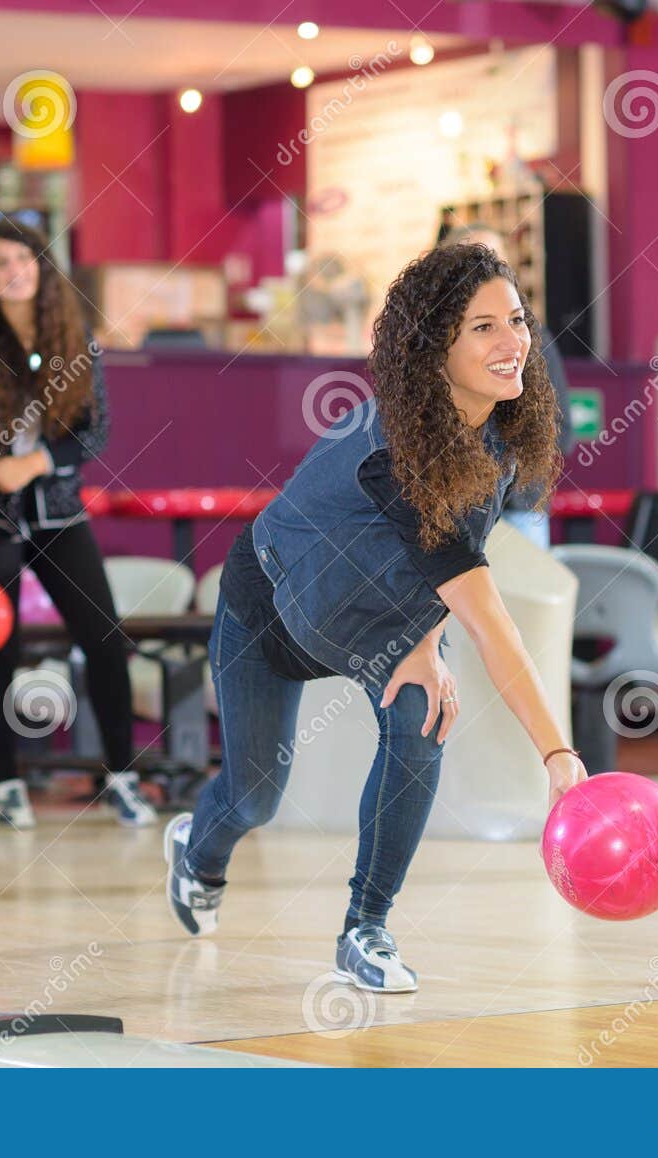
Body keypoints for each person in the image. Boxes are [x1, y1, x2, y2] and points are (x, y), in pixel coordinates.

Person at [164, 243, 587, 992]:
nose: (511, 342)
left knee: (423, 716)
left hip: (380, 624)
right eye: (482, 327)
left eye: (515, 320)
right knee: (255, 793)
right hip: (271, 606)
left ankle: (367, 928)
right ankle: (197, 855)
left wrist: (423, 640)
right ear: (435, 348)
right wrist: (559, 756)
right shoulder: (396, 455)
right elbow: (492, 626)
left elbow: (444, 565)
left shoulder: (493, 437)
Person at [0, 219, 155, 831]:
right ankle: (6, 784)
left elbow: (96, 431)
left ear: (42, 267)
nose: (13, 272)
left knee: (104, 639)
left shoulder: (74, 341)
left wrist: (35, 462)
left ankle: (122, 777)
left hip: (58, 512)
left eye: (22, 260)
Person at [446, 223, 572, 549]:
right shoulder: (432, 343)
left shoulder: (535, 340)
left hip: (518, 513)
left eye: (494, 260)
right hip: (451, 511)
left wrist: (514, 478)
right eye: (475, 260)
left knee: (525, 601)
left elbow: (562, 429)